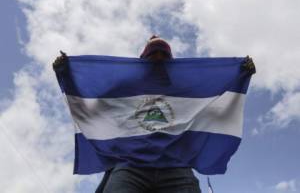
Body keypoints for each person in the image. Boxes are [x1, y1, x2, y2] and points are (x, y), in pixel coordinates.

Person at [53, 35, 256, 193]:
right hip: (130, 166)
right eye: (152, 55)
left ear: (171, 60)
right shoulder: (125, 88)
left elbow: (216, 108)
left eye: (163, 56)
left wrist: (240, 74)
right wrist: (67, 74)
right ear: (142, 59)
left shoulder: (186, 91)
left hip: (176, 167)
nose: (158, 60)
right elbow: (90, 109)